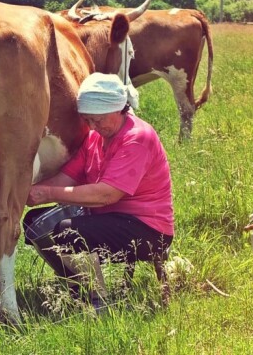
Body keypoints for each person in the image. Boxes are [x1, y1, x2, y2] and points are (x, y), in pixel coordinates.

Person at [23, 72, 174, 310]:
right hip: (111, 219)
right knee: (33, 221)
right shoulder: (96, 138)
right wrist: (27, 191)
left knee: (67, 232)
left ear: (118, 109)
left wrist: (48, 194)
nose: (93, 127)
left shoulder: (136, 139)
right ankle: (79, 284)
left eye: (98, 120)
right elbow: (67, 177)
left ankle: (98, 300)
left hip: (147, 229)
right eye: (88, 120)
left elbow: (107, 195)